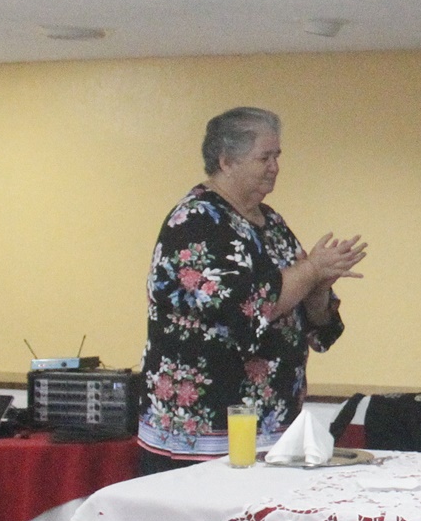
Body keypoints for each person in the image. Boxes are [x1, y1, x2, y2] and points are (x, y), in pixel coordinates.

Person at [139, 108, 366, 471]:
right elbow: (246, 307)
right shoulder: (196, 220)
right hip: (205, 430)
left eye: (277, 156)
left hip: (274, 424)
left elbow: (314, 323)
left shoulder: (271, 222)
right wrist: (310, 270)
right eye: (265, 157)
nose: (275, 167)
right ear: (226, 161)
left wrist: (318, 286)